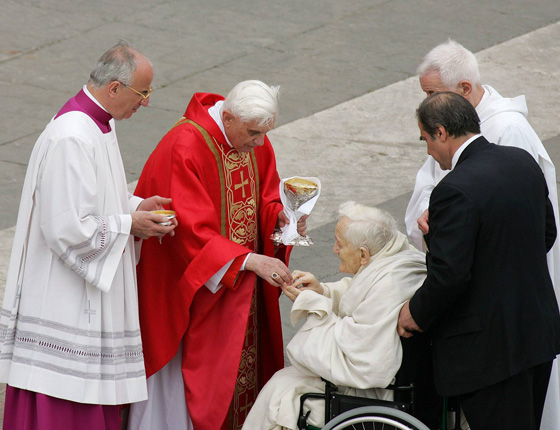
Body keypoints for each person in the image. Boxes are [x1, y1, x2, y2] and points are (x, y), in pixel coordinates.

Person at [0, 41, 177, 430]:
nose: (146, 102)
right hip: (63, 298)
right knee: (65, 400)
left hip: (82, 294)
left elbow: (94, 198)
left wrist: (133, 208)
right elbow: (66, 228)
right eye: (142, 93)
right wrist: (130, 226)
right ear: (114, 88)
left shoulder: (99, 123)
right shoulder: (72, 136)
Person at [127, 80, 306, 430]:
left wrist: (281, 217)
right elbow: (188, 233)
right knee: (184, 392)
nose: (259, 143)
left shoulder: (254, 138)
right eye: (253, 134)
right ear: (227, 117)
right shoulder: (185, 146)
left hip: (237, 289)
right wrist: (251, 261)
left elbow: (264, 198)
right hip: (188, 291)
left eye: (263, 134)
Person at [403, 40, 560, 429]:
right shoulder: (520, 161)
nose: (428, 152)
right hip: (535, 333)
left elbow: (450, 274)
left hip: (490, 350)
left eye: (425, 140)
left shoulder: (454, 188)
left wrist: (415, 312)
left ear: (441, 132)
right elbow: (546, 231)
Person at [242, 202, 427, 430]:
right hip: (380, 382)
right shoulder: (394, 253)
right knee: (281, 382)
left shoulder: (390, 284)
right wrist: (323, 291)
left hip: (370, 395)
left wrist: (314, 305)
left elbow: (354, 358)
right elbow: (361, 294)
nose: (334, 250)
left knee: (281, 395)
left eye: (340, 244)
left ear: (363, 255)